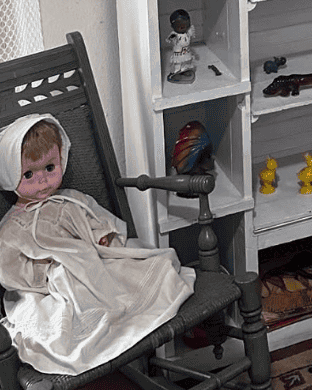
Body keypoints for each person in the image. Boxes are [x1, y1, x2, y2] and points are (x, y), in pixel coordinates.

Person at [0, 113, 195, 375]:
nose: (43, 180)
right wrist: (41, 276)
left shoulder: (70, 200)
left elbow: (94, 218)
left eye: (49, 168)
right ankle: (100, 328)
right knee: (65, 309)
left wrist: (103, 235)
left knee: (152, 268)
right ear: (10, 175)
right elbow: (9, 268)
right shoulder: (13, 227)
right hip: (54, 283)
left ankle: (127, 318)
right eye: (28, 174)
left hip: (95, 263)